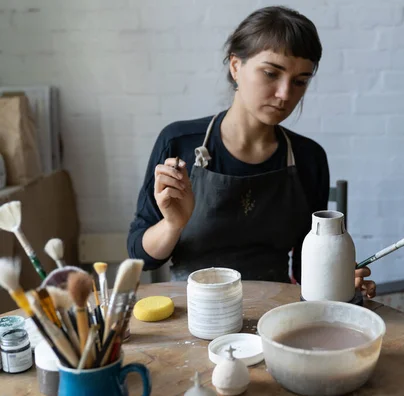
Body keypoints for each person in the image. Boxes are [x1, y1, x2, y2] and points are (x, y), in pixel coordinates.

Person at [127, 6, 376, 298]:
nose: (285, 94)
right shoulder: (178, 143)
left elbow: (303, 272)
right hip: (193, 312)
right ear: (235, 66)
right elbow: (142, 258)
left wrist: (338, 276)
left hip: (276, 313)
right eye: (271, 73)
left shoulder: (309, 158)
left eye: (300, 81)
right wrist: (173, 224)